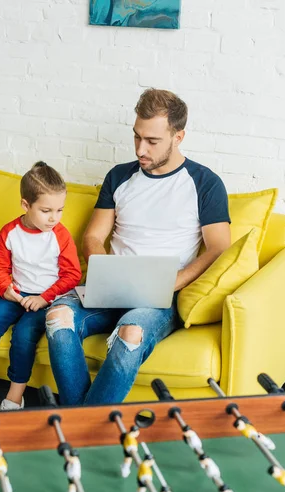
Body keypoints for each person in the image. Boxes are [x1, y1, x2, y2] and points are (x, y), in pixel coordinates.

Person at [45, 88, 231, 406]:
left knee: (131, 335)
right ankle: (85, 426)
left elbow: (218, 248)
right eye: (136, 137)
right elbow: (92, 236)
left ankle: (78, 428)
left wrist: (176, 281)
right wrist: (107, 271)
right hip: (109, 287)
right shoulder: (119, 176)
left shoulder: (204, 183)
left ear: (178, 136)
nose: (140, 149)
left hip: (159, 297)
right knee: (58, 316)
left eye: (152, 141)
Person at [0, 162, 82, 412]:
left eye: (59, 210)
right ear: (26, 205)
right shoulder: (9, 233)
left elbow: (73, 275)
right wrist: (6, 289)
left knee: (24, 337)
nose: (54, 218)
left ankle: (14, 399)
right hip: (14, 295)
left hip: (47, 299)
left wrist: (44, 298)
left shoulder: (60, 236)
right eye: (46, 210)